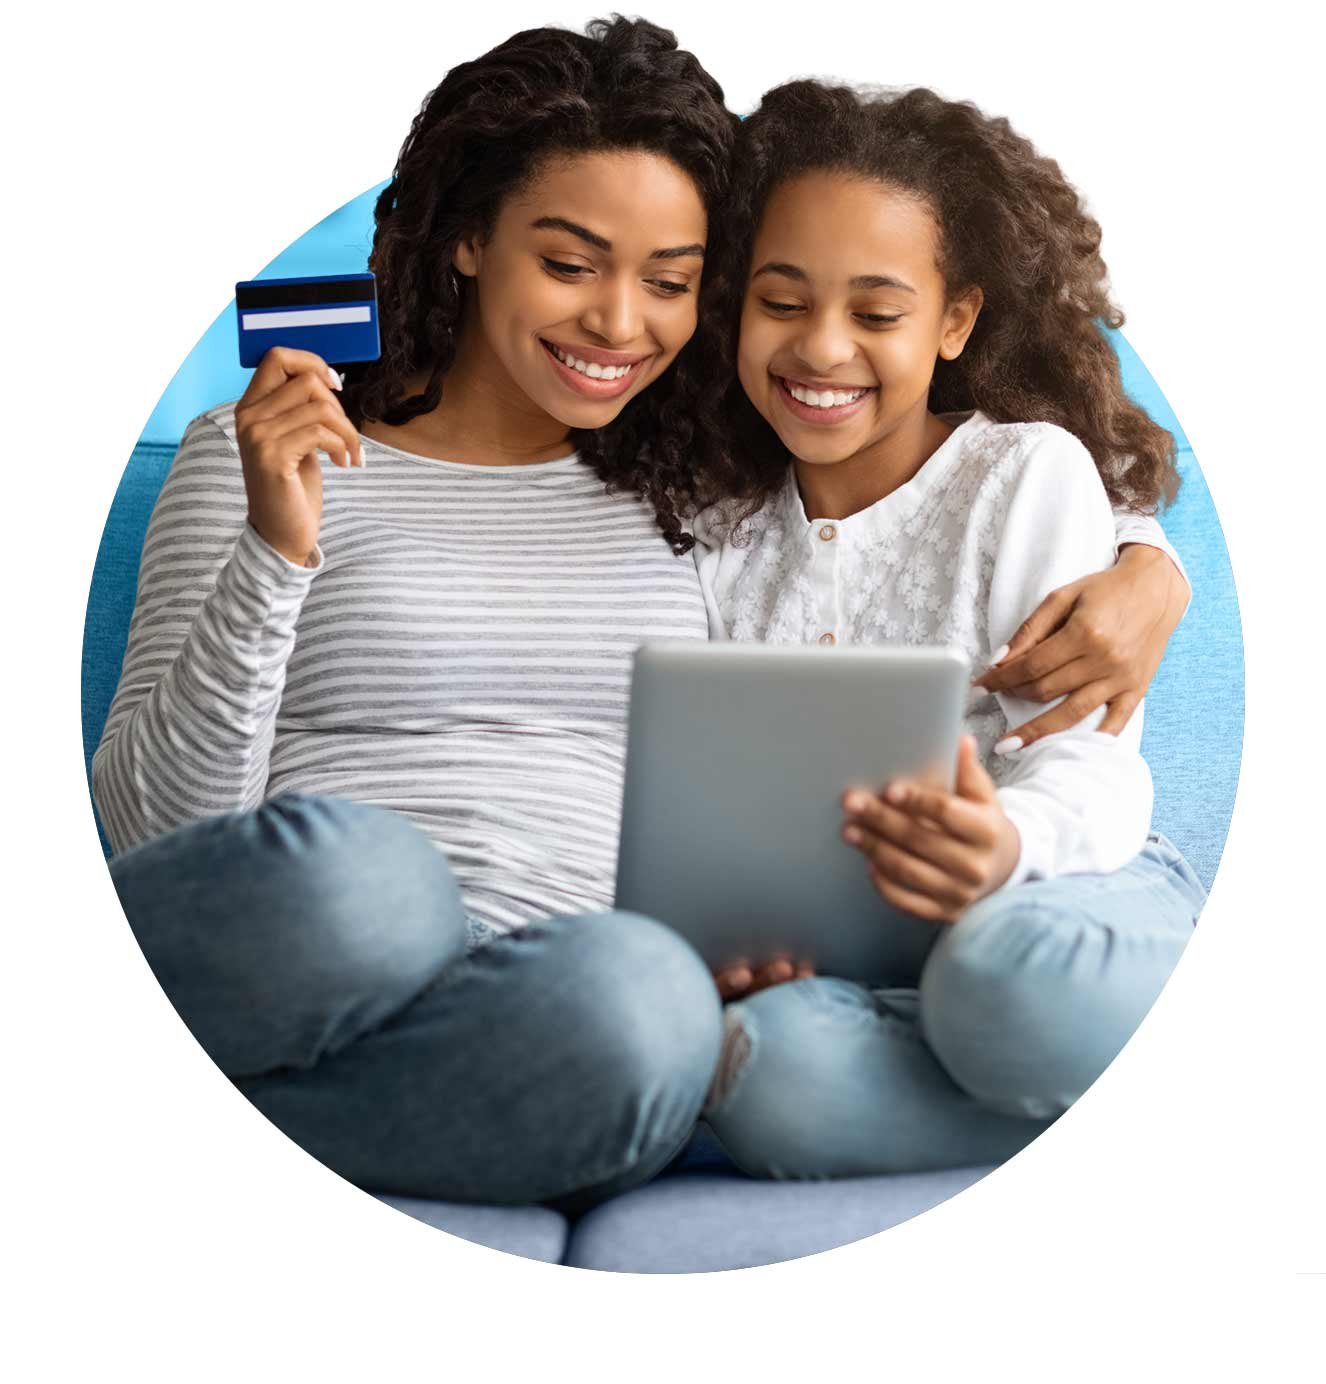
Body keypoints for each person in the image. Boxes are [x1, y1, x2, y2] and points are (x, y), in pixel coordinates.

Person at [95, 23, 1189, 1206]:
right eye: (570, 265)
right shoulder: (261, 454)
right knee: (370, 886)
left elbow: (919, 446)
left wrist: (1144, 553)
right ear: (468, 238)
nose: (620, 325)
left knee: (649, 1011)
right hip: (303, 928)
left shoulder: (691, 492)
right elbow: (158, 832)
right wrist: (276, 548)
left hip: (551, 1002)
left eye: (668, 283)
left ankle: (198, 1126)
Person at [692, 81, 1207, 1179]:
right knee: (760, 1067)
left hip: (1060, 894)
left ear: (955, 321)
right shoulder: (713, 528)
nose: (822, 349)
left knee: (1001, 980)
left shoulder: (1018, 475)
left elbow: (1093, 767)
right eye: (781, 303)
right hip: (859, 968)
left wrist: (1008, 850)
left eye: (878, 315)